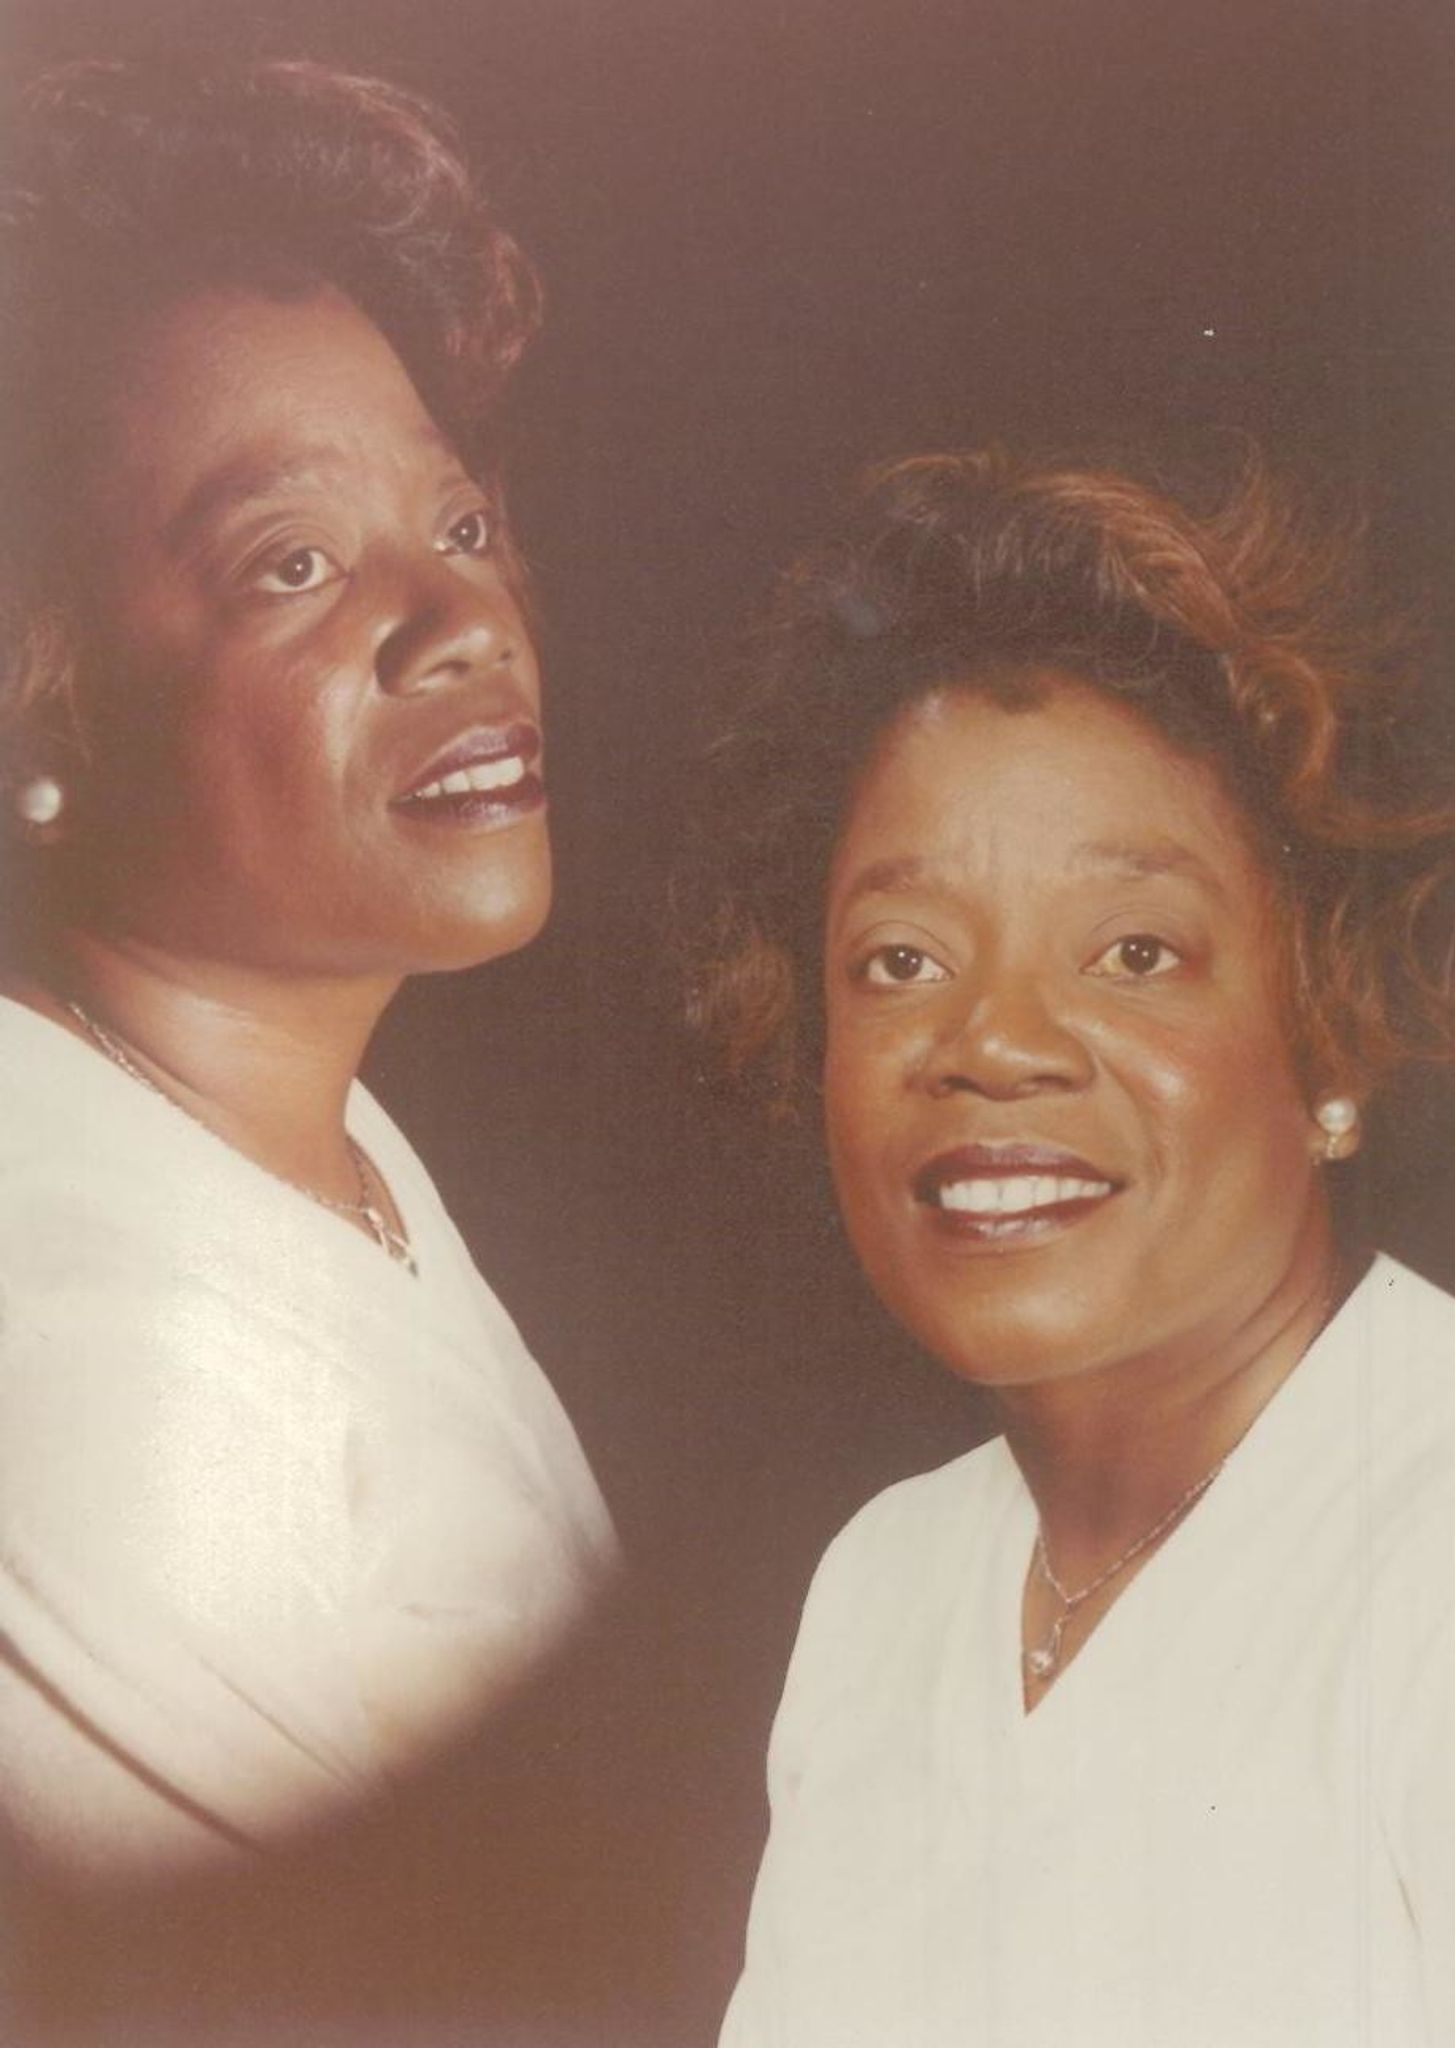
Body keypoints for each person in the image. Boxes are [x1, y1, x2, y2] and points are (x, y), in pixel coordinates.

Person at [692, 450, 1455, 2046]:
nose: (993, 1042)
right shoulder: (889, 1584)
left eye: (1133, 950)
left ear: (1328, 1036)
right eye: (902, 960)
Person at [0, 57, 616, 1881]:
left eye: (461, 523)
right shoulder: (92, 1357)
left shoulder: (266, 1120)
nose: (463, 623)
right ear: (44, 709)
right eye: (293, 563)